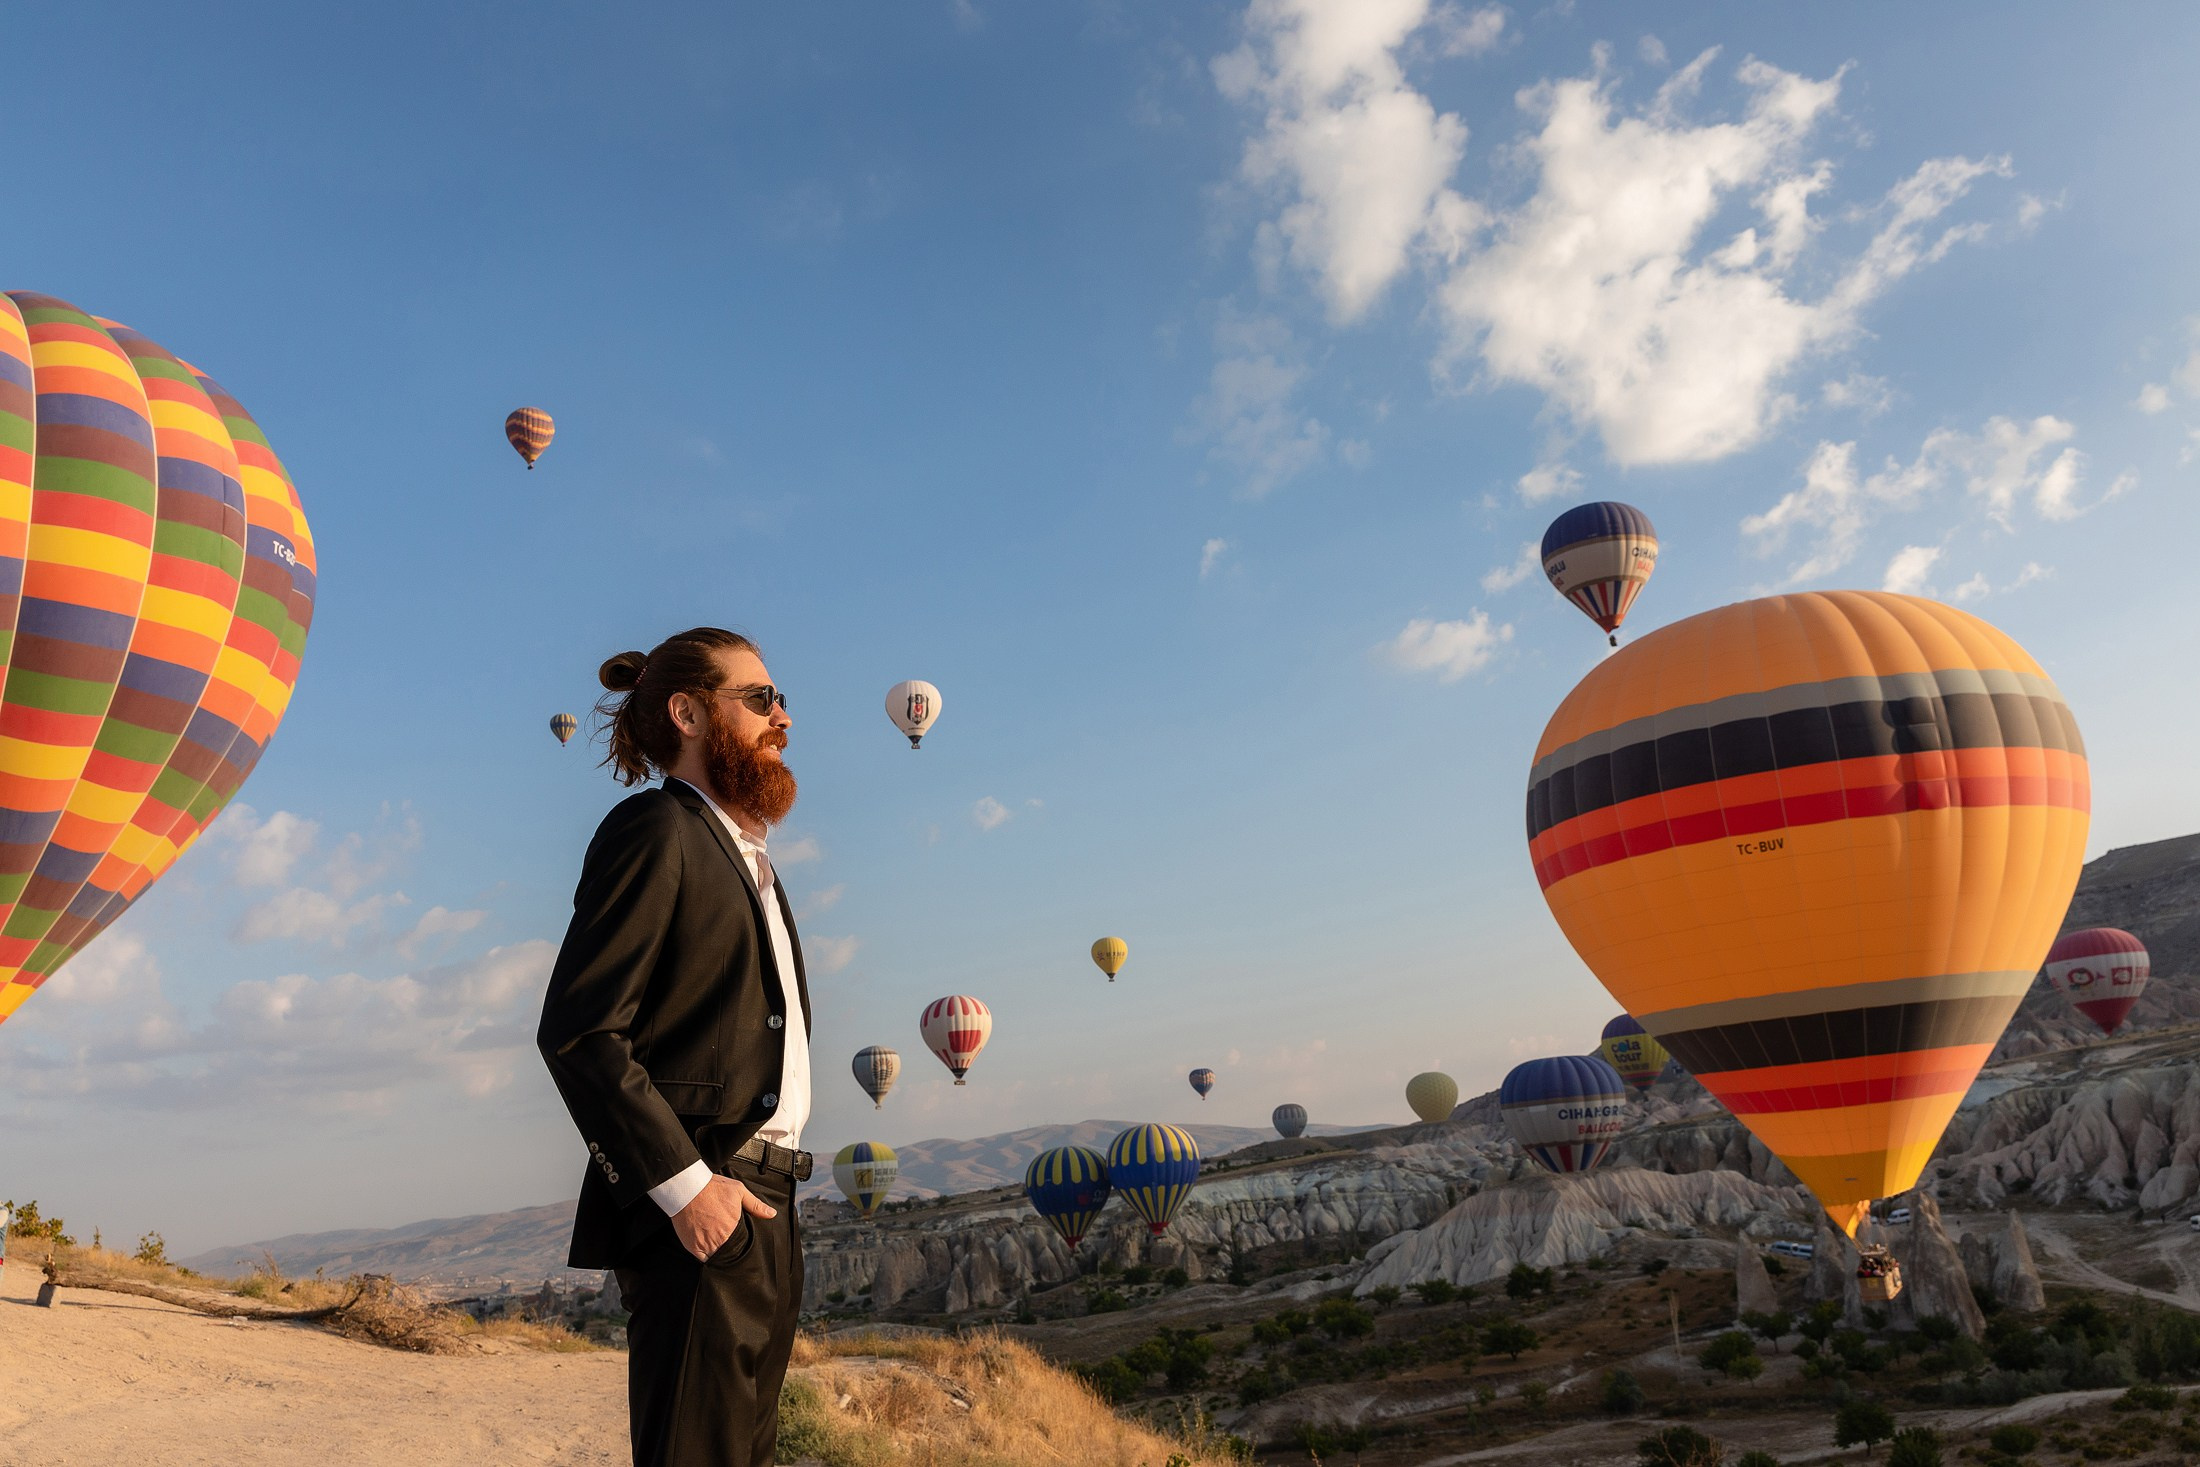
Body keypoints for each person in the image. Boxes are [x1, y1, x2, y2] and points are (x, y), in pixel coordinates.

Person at [538, 627, 813, 1467]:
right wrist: (688, 1190)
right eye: (761, 698)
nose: (785, 718)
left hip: (770, 1206)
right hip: (704, 1202)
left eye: (783, 700)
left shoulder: (754, 862)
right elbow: (581, 1030)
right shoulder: (656, 827)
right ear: (689, 711)